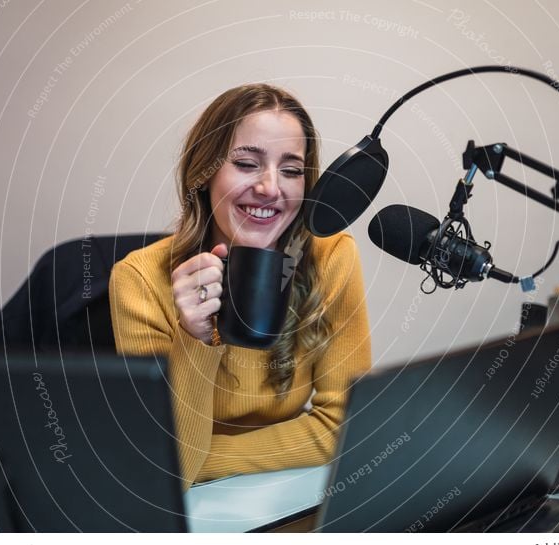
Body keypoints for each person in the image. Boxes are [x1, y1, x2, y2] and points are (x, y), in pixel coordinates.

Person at [109, 83, 371, 489]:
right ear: (205, 172)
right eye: (247, 164)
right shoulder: (138, 280)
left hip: (280, 497)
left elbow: (345, 426)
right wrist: (195, 337)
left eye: (291, 170)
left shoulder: (331, 255)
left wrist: (210, 458)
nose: (270, 188)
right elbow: (166, 469)